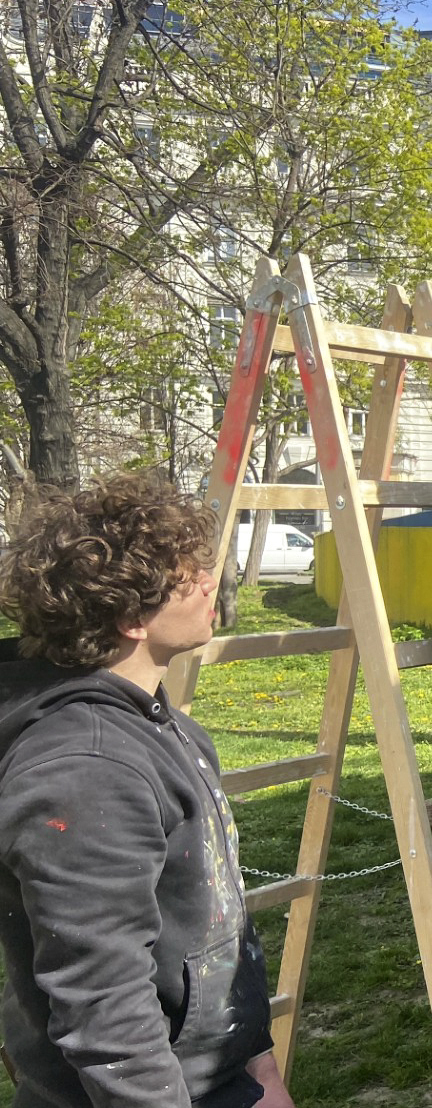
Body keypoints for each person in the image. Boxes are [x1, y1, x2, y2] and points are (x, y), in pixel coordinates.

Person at [0, 474, 291, 1108]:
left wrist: (259, 1071)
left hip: (217, 1079)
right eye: (189, 576)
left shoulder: (166, 726)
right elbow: (102, 1002)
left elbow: (215, 929)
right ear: (133, 616)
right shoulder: (84, 770)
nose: (212, 583)